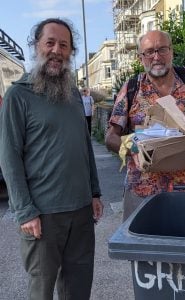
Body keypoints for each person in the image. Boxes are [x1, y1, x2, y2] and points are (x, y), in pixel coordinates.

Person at [0, 18, 103, 300]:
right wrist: (25, 211)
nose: (57, 50)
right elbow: (9, 159)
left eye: (64, 45)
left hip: (81, 211)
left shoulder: (72, 94)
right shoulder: (17, 96)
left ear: (71, 52)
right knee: (41, 290)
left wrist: (94, 192)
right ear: (36, 46)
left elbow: (84, 145)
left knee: (78, 288)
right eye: (50, 42)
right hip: (43, 215)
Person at [105, 30, 185, 221]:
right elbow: (110, 138)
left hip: (184, 189)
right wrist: (135, 149)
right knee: (141, 249)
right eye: (149, 52)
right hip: (141, 192)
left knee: (179, 249)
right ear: (141, 57)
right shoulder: (132, 88)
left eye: (162, 49)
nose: (156, 57)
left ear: (171, 51)